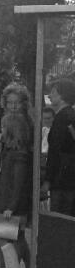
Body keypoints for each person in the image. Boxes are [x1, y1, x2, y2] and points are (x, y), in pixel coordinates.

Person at [0, 83, 33, 268]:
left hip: (10, 200)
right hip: (5, 196)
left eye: (17, 103)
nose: (13, 107)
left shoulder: (18, 152)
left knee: (7, 237)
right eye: (10, 103)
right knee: (11, 237)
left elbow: (19, 181)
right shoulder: (10, 150)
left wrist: (11, 206)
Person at [43, 78, 75, 216]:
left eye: (53, 92)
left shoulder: (62, 119)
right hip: (69, 176)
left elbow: (55, 152)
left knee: (59, 219)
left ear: (63, 96)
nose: (49, 95)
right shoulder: (70, 116)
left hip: (61, 179)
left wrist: (48, 180)